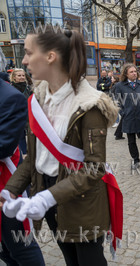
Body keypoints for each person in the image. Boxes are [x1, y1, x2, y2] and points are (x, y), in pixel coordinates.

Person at [2, 28, 119, 264]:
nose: (23, 61)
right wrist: (10, 190)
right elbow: (33, 158)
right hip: (50, 193)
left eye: (28, 53)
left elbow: (94, 169)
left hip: (82, 201)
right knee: (69, 258)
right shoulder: (38, 100)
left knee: (88, 261)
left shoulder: (89, 104)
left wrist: (47, 198)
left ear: (50, 57)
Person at [0, 76, 45, 265]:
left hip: (5, 185)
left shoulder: (10, 97)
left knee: (21, 247)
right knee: (5, 249)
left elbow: (4, 146)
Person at [115, 63, 140, 171]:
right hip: (128, 118)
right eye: (131, 72)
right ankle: (136, 160)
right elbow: (117, 103)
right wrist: (124, 113)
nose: (134, 74)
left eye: (135, 71)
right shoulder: (120, 86)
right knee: (131, 141)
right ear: (126, 74)